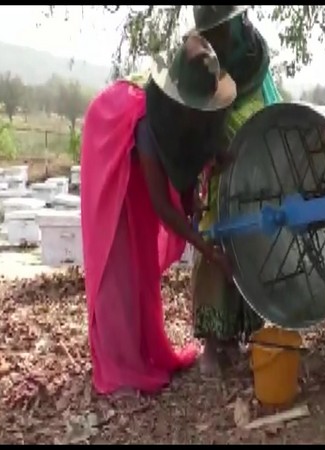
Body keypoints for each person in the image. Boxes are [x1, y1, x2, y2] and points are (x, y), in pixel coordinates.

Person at [80, 33, 237, 394]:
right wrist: (210, 250)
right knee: (117, 260)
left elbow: (190, 155)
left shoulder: (194, 115)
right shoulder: (151, 124)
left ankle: (143, 347)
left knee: (141, 261)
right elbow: (163, 207)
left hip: (137, 164)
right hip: (110, 149)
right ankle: (120, 362)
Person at [190, 5, 282, 375]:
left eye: (224, 29)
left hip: (255, 178)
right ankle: (213, 343)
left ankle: (242, 337)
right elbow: (191, 127)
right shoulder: (198, 67)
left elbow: (273, 113)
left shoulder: (254, 60)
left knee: (250, 255)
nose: (220, 38)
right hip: (217, 180)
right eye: (213, 33)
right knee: (213, 256)